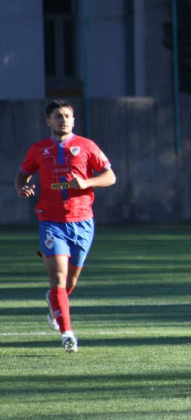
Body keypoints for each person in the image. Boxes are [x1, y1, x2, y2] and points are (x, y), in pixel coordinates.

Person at [15, 100, 116, 353]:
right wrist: (21, 187)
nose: (63, 119)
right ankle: (67, 333)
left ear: (74, 120)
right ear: (48, 121)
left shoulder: (87, 146)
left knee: (70, 281)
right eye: (58, 116)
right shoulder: (38, 149)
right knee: (58, 278)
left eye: (67, 115)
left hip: (82, 221)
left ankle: (54, 300)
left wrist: (87, 182)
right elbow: (22, 174)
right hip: (50, 220)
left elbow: (110, 176)